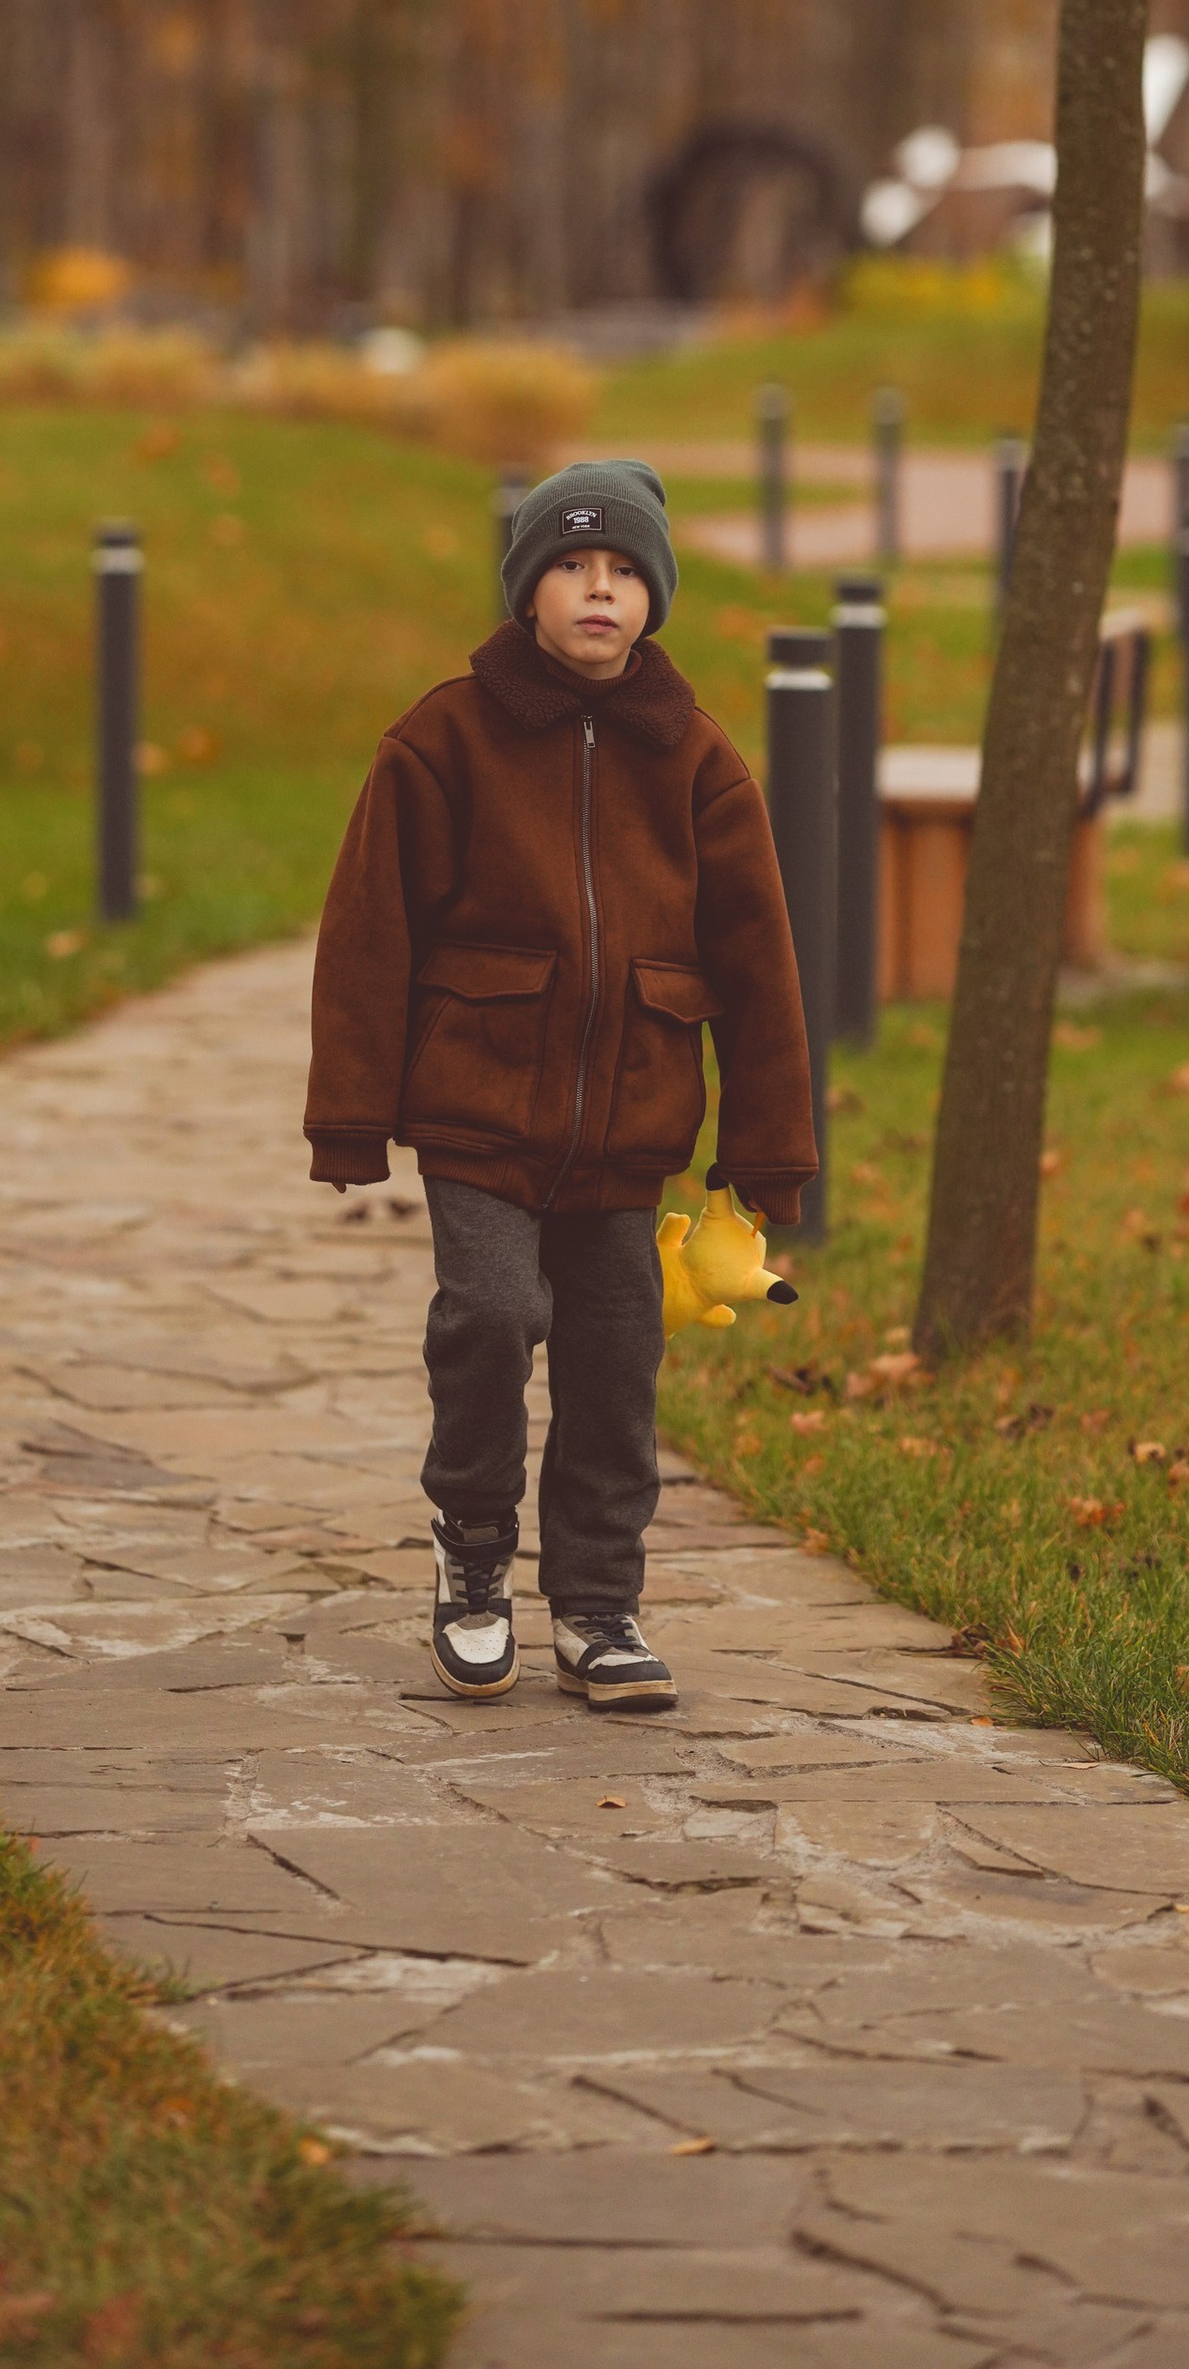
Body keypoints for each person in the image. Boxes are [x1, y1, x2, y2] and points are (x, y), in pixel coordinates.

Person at [306, 458, 817, 1714]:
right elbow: (369, 931)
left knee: (613, 1358)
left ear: (654, 601)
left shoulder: (694, 761)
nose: (600, 590)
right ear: (528, 589)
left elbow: (758, 967)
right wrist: (353, 1115)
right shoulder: (444, 740)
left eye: (626, 572)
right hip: (478, 1107)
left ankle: (597, 1603)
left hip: (630, 1127)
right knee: (489, 1314)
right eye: (574, 567)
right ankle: (473, 1557)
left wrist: (769, 1147)